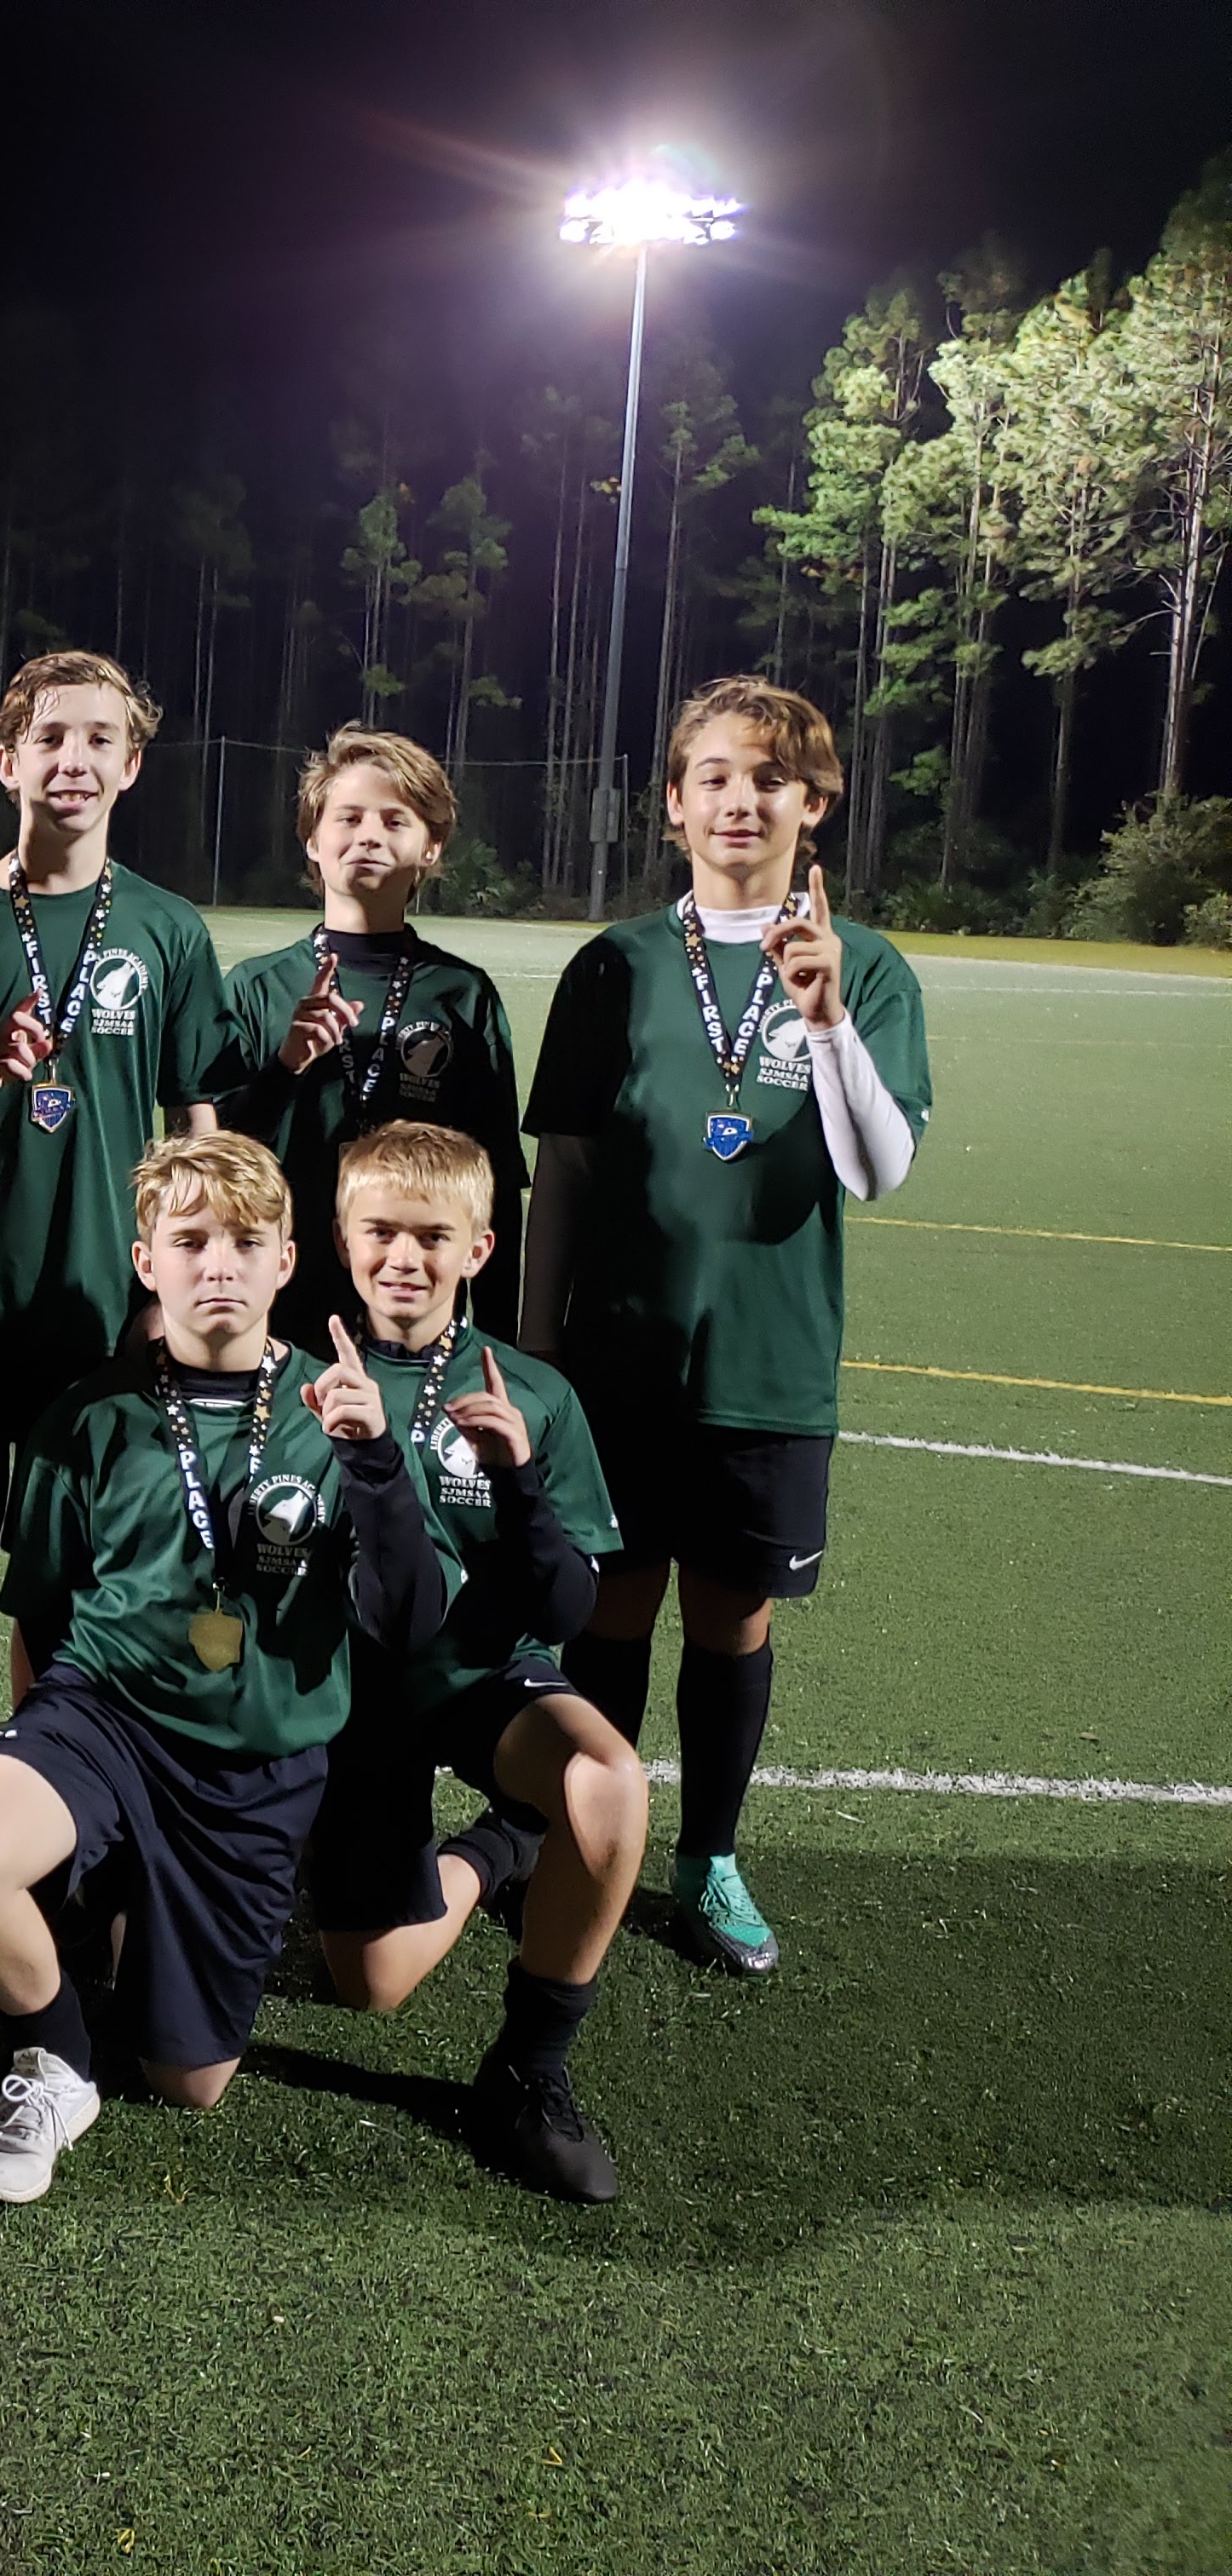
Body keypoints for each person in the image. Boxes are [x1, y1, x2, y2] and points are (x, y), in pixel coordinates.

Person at [0, 1132, 445, 2204]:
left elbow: (408, 1619)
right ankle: (56, 2059)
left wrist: (378, 1467)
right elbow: (43, 1616)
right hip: (106, 1721)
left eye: (245, 1242)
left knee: (189, 2082)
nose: (218, 1265)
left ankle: (130, 1904)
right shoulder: (88, 1415)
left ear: (286, 1262)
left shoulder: (342, 1415)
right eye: (190, 1241)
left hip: (256, 1768)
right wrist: (48, 1793)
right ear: (146, 1261)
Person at [522, 676, 931, 1978]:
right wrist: (535, 1351)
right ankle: (577, 1836)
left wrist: (825, 1022)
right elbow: (566, 1169)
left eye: (769, 779)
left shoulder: (867, 969)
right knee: (608, 1606)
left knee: (731, 1615)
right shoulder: (616, 963)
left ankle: (709, 1858)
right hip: (618, 1357)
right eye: (714, 775)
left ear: (815, 805)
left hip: (770, 1360)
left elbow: (877, 1170)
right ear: (672, 803)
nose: (739, 800)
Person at [0, 651, 236, 1751]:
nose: (73, 760)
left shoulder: (168, 929)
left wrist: (187, 1284)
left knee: (67, 1561)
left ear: (131, 766)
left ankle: (49, 1763)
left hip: (98, 1303)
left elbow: (195, 1123)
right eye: (49, 738)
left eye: (99, 740)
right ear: (8, 762)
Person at [300, 1122, 643, 2203]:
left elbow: (571, 1607)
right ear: (342, 1239)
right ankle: (503, 1845)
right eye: (380, 1232)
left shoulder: (532, 1393)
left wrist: (520, 1483)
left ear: (480, 1249)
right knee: (371, 1986)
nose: (404, 1257)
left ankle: (530, 2071)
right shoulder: (293, 1381)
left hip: (487, 1681)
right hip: (350, 1701)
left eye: (432, 1237)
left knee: (609, 1782)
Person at [210, 727, 529, 1354]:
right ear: (313, 840)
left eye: (395, 820)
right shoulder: (257, 988)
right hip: (277, 1311)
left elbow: (495, 1185)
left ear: (431, 847)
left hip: (417, 1318)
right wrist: (284, 1068)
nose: (369, 836)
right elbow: (215, 1159)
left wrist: (498, 1344)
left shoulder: (461, 995)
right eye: (349, 817)